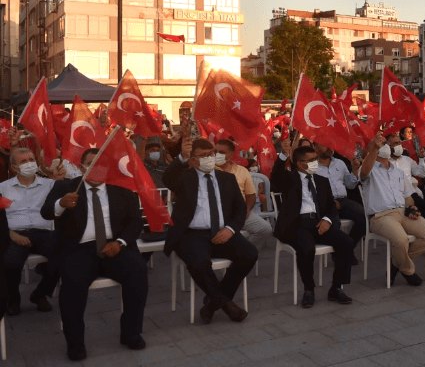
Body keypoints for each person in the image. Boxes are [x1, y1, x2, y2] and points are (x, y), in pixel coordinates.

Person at [41, 148, 148, 361]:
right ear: (81, 167)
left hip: (114, 246)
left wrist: (120, 242)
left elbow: (136, 221)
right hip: (79, 248)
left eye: (101, 164)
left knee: (138, 273)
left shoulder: (121, 188)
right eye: (91, 163)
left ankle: (131, 333)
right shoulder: (66, 186)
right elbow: (46, 212)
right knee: (72, 285)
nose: (96, 168)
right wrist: (61, 204)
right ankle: (75, 343)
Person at [163, 138, 255, 324]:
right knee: (199, 263)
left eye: (211, 154)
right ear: (194, 160)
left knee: (249, 253)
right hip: (192, 234)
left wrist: (230, 229)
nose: (209, 158)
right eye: (203, 156)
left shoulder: (227, 179)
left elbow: (239, 210)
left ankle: (212, 303)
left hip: (222, 231)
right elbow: (168, 178)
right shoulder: (185, 177)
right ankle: (227, 305)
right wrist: (182, 157)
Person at [271, 146, 354, 308]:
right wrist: (283, 154)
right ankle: (309, 289)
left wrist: (327, 220)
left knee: (346, 242)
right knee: (307, 248)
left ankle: (337, 287)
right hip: (297, 224)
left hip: (319, 222)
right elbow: (276, 176)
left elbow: (330, 206)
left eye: (316, 159)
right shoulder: (289, 179)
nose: (316, 163)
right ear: (300, 164)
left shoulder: (322, 181)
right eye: (311, 160)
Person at [359, 135, 425, 286]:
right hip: (381, 216)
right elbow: (364, 173)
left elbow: (408, 195)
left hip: (402, 212)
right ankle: (408, 270)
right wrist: (374, 149)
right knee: (402, 240)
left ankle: (396, 263)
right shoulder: (369, 168)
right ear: (372, 149)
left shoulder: (398, 172)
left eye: (385, 144)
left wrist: (411, 207)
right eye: (380, 144)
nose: (385, 146)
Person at [2, 148, 63, 315]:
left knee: (64, 256)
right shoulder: (3, 188)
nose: (29, 163)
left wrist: (60, 178)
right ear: (14, 168)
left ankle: (40, 294)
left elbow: (70, 193)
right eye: (23, 161)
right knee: (10, 263)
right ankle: (13, 299)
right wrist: (10, 234)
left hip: (43, 232)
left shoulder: (50, 184)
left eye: (31, 159)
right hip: (16, 234)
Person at [212, 139, 274, 251]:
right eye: (215, 151)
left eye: (221, 153)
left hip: (239, 213)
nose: (217, 155)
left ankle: (245, 251)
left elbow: (250, 194)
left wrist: (247, 209)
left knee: (265, 229)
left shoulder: (241, 170)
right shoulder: (207, 170)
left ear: (230, 155)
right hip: (215, 214)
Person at [311, 142, 368, 248]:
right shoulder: (312, 167)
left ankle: (348, 248)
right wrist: (329, 201)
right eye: (324, 143)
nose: (329, 146)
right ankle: (343, 251)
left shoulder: (340, 163)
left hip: (343, 201)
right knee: (333, 223)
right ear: (316, 148)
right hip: (325, 203)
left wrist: (355, 170)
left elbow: (350, 185)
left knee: (364, 216)